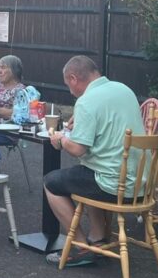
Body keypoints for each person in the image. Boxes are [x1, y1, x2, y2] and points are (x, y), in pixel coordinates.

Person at [42, 55, 144, 267]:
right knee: (85, 173)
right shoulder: (123, 89)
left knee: (52, 182)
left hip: (113, 185)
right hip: (140, 183)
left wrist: (60, 139)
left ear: (73, 78)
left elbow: (78, 149)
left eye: (68, 85)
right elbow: (109, 124)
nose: (70, 91)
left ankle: (81, 247)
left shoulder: (86, 101)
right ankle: (98, 238)